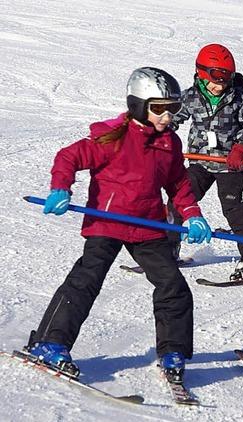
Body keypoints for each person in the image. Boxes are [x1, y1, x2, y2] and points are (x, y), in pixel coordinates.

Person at [26, 67, 212, 384]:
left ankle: (172, 350)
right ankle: (51, 342)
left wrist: (193, 213)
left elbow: (178, 183)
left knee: (173, 286)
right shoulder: (112, 137)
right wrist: (61, 187)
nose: (167, 117)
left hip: (147, 225)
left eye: (172, 109)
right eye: (159, 109)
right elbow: (68, 157)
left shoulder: (169, 143)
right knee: (86, 279)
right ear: (138, 104)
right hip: (108, 221)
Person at [168, 44, 243, 280]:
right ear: (201, 75)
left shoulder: (240, 99)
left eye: (225, 81)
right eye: (215, 81)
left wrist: (241, 147)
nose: (219, 86)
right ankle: (167, 250)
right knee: (178, 202)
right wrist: (161, 140)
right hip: (199, 162)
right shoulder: (190, 97)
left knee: (234, 209)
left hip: (230, 165)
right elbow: (172, 119)